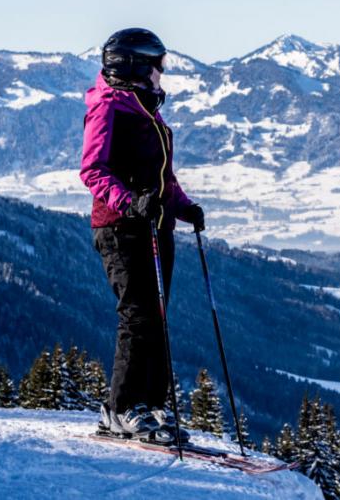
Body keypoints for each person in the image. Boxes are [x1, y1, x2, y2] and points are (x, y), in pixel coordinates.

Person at [80, 28, 204, 443]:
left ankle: (150, 406)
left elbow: (160, 175)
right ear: (134, 65)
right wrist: (130, 202)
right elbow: (93, 170)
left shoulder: (143, 106)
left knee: (157, 317)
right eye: (157, 65)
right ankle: (120, 410)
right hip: (121, 228)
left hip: (156, 224)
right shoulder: (109, 108)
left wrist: (183, 206)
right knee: (137, 317)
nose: (161, 73)